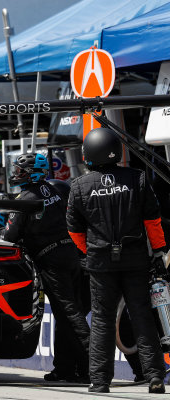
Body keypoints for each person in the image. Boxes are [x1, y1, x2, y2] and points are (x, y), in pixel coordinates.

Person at [66, 127, 167, 394]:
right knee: (142, 316)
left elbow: (74, 230)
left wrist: (89, 251)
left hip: (100, 264)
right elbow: (153, 222)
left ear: (88, 153)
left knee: (101, 320)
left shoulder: (79, 187)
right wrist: (159, 252)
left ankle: (99, 382)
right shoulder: (139, 179)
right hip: (135, 261)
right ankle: (155, 376)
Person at [3, 154, 90, 383]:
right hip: (71, 254)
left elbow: (9, 236)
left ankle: (96, 366)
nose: (16, 174)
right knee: (66, 314)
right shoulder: (54, 190)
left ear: (33, 172)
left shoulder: (24, 199)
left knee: (70, 314)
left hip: (51, 260)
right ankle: (67, 369)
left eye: (21, 170)